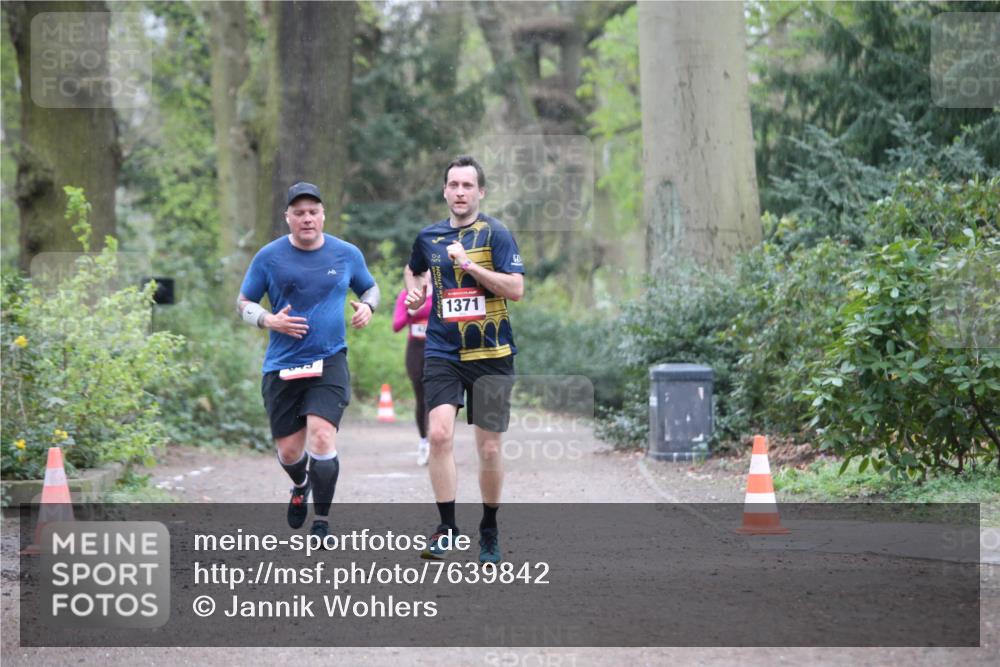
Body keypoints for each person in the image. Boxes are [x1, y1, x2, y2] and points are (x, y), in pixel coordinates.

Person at [237, 181, 379, 540]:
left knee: (320, 436)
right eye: (298, 212)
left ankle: (322, 522)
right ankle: (300, 484)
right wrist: (268, 319)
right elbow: (243, 303)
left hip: (328, 360)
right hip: (282, 364)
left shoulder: (346, 253)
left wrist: (368, 306)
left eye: (313, 212)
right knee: (288, 451)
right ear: (287, 217)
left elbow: (370, 286)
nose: (307, 219)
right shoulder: (268, 257)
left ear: (323, 214)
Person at [403, 155, 524, 564]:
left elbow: (516, 289)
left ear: (480, 192)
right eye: (453, 185)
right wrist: (416, 292)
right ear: (444, 191)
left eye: (467, 186)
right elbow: (413, 269)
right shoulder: (429, 237)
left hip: (491, 353)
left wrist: (470, 266)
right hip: (442, 349)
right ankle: (447, 528)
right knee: (438, 434)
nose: (459, 192)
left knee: (489, 449)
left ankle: (488, 527)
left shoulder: (497, 234)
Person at [391, 280, 434, 466]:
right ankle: (424, 442)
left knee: (438, 398)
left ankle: (439, 442)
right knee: (422, 398)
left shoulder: (443, 290)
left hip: (438, 349)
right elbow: (396, 325)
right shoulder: (406, 294)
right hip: (416, 350)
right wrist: (411, 312)